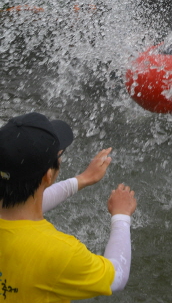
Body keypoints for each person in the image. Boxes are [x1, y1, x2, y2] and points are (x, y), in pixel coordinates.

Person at [0, 111, 137, 300]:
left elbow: (30, 203)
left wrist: (81, 180)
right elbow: (117, 276)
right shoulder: (59, 252)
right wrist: (121, 215)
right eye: (59, 155)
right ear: (48, 175)